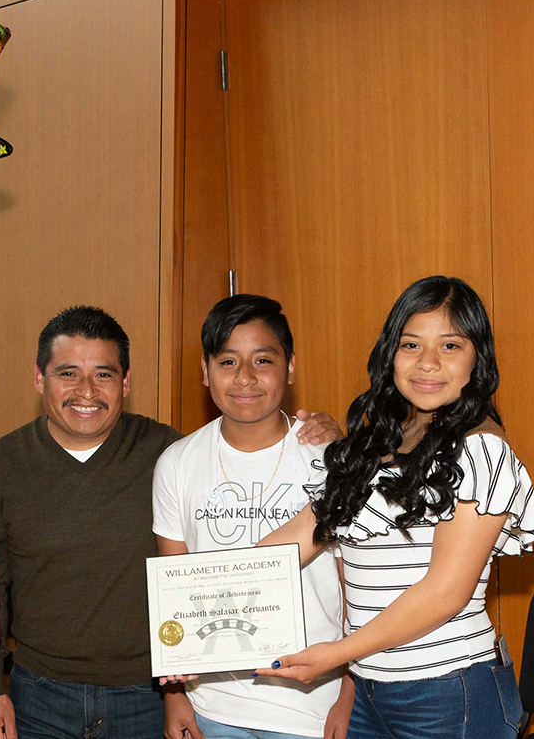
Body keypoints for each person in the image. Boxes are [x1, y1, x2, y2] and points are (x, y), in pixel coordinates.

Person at [0, 307, 342, 739]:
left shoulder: (163, 451)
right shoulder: (4, 461)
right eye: (67, 374)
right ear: (40, 379)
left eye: (103, 374)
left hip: (147, 695)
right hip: (39, 691)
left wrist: (335, 442)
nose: (86, 391)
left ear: (126, 382)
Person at [254, 277, 534, 739]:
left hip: (448, 691)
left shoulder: (481, 449)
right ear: (391, 352)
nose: (427, 363)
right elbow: (289, 543)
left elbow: (444, 594)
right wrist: (194, 619)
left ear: (478, 359)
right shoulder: (374, 445)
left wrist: (337, 653)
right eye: (411, 344)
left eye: (450, 345)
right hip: (372, 688)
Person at [153, 295, 351, 739]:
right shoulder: (176, 463)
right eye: (227, 361)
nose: (245, 377)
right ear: (205, 371)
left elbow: (356, 586)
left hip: (313, 709)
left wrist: (350, 693)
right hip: (213, 710)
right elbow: (173, 587)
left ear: (290, 367)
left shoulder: (330, 458)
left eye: (263, 359)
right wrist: (175, 696)